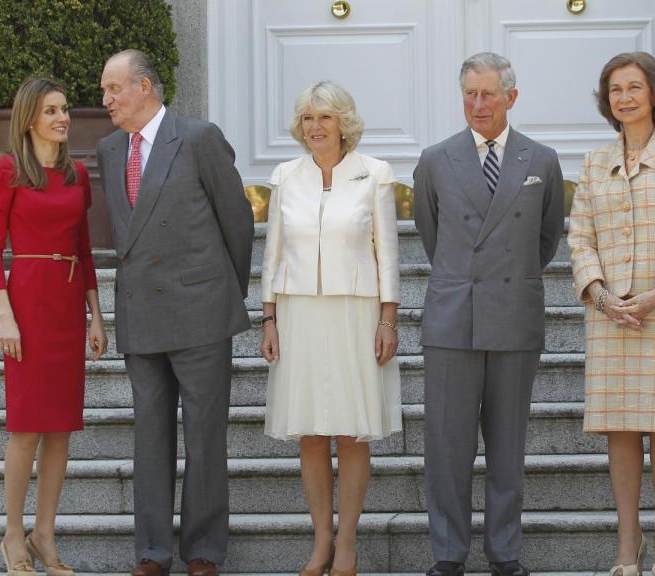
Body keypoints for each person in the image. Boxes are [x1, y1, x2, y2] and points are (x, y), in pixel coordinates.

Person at [97, 49, 254, 576]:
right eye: (104, 91)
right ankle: (152, 551)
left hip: (201, 311)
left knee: (206, 434)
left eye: (113, 89)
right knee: (150, 434)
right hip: (141, 315)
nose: (106, 100)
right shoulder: (108, 149)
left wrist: (223, 291)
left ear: (143, 87)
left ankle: (204, 550)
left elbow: (237, 221)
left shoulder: (198, 137)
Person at [413, 52, 564, 576]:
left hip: (513, 317)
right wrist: (464, 281)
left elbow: (546, 239)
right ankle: (448, 555)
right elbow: (432, 236)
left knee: (507, 447)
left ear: (511, 98)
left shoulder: (541, 161)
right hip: (453, 318)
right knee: (447, 447)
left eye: (489, 94)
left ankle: (504, 553)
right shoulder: (435, 159)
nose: (478, 104)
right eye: (470, 94)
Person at [568, 51, 655, 576]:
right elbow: (579, 235)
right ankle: (628, 543)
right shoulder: (592, 161)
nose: (624, 99)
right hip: (610, 313)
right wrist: (601, 295)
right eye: (615, 91)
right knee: (620, 428)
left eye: (633, 87)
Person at [260, 80, 401, 576]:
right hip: (299, 313)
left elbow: (387, 252)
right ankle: (321, 540)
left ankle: (347, 542)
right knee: (311, 434)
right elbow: (272, 253)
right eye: (307, 118)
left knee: (351, 431)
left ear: (344, 123)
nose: (315, 127)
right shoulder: (285, 175)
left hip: (356, 313)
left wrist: (389, 317)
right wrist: (270, 317)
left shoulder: (374, 174)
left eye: (324, 117)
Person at [0, 76, 107, 576]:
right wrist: (5, 316)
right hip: (28, 301)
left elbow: (84, 250)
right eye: (51, 110)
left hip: (67, 303)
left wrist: (97, 315)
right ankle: (13, 535)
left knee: (61, 430)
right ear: (30, 117)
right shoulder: (7, 170)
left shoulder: (78, 174)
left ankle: (45, 534)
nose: (62, 118)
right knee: (26, 428)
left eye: (64, 111)